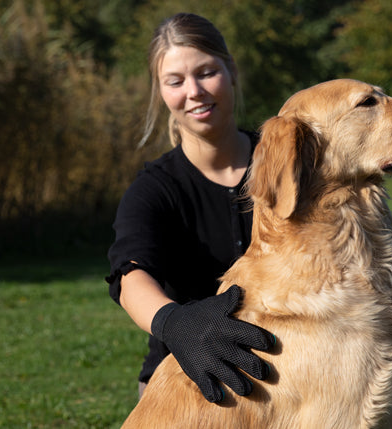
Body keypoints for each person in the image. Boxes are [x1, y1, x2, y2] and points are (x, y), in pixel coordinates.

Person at [105, 13, 275, 403]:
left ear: (231, 71)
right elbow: (131, 277)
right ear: (161, 92)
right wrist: (176, 323)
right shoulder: (154, 189)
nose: (194, 91)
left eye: (206, 72)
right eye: (176, 81)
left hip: (289, 371)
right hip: (185, 383)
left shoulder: (284, 165)